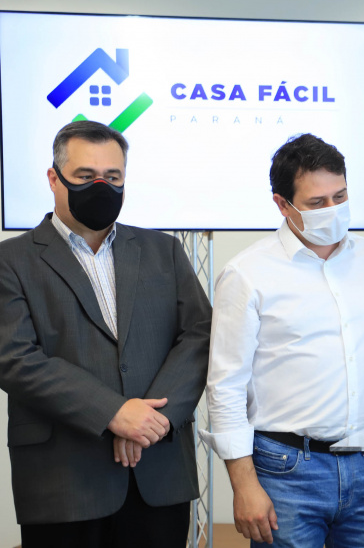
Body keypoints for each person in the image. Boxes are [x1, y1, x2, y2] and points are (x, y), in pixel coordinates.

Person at [201, 133, 364, 547]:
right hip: (286, 471)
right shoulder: (247, 273)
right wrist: (243, 485)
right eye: (317, 203)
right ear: (282, 204)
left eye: (340, 197)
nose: (333, 210)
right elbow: (226, 387)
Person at [0, 120, 212, 547]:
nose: (101, 186)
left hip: (159, 476)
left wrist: (152, 422)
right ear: (53, 179)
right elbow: (15, 357)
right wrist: (114, 413)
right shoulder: (12, 260)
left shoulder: (164, 251)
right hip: (63, 483)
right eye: (84, 176)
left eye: (112, 177)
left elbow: (200, 337)